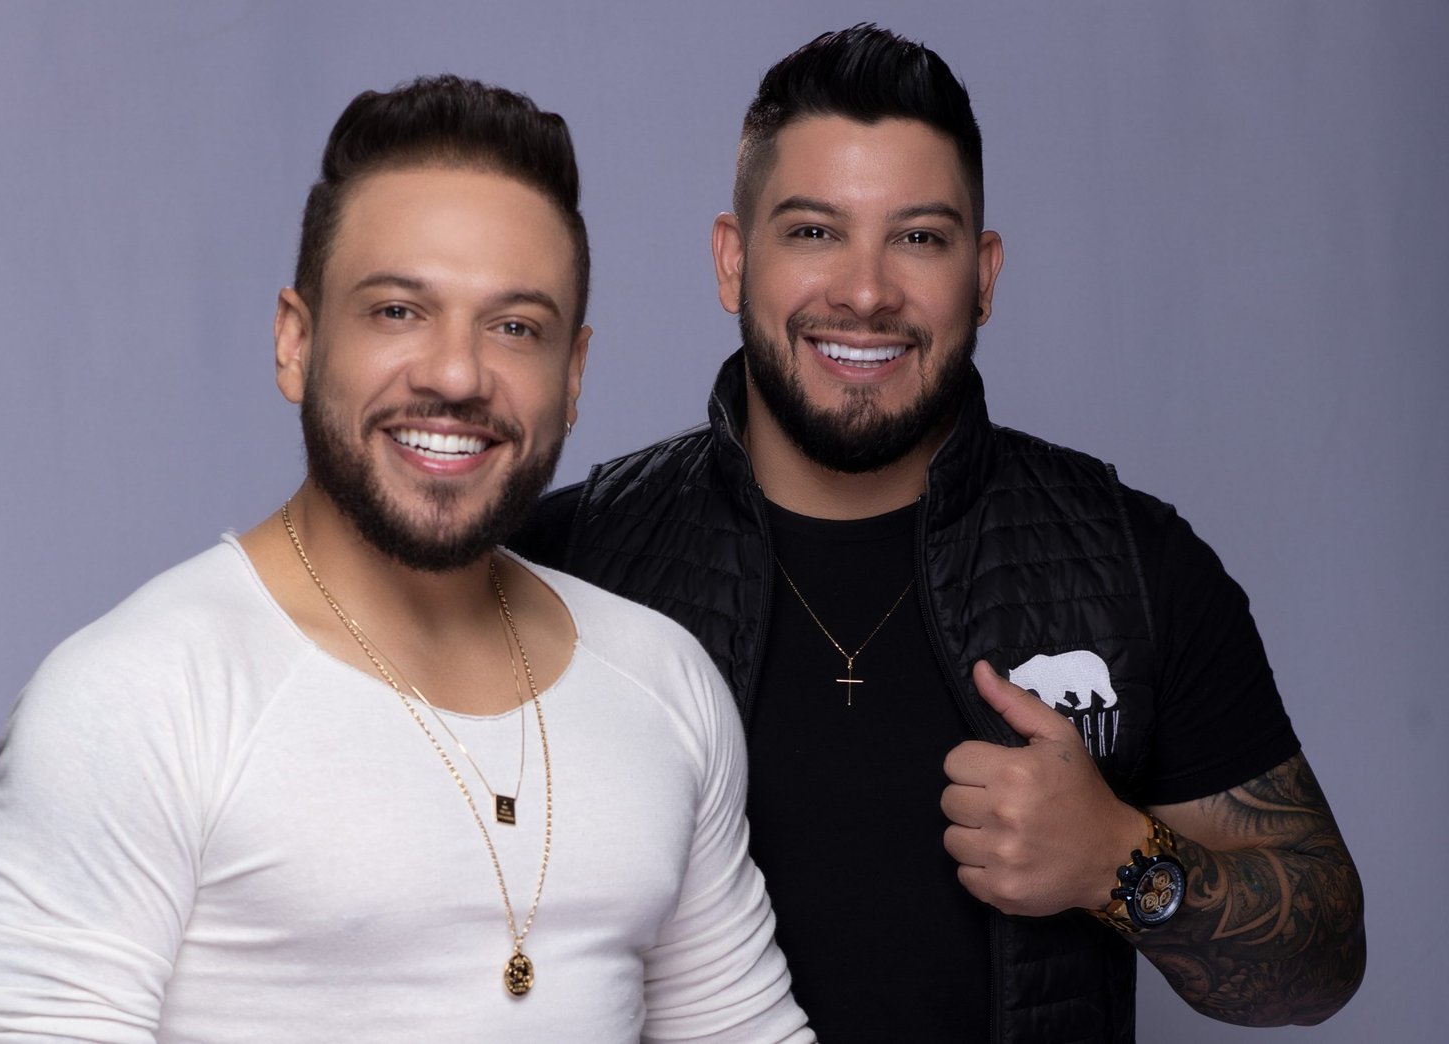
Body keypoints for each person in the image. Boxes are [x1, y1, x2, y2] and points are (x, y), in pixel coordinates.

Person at [515, 24, 1365, 1042]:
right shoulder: (567, 566)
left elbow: (1321, 967)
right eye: (813, 232)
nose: (866, 291)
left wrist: (1119, 863)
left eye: (918, 237)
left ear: (984, 275)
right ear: (733, 262)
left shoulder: (1132, 566)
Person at [0, 76, 811, 1043]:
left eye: (515, 327)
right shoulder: (141, 694)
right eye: (398, 311)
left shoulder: (661, 680)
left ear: (572, 376)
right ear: (296, 342)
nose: (457, 374)